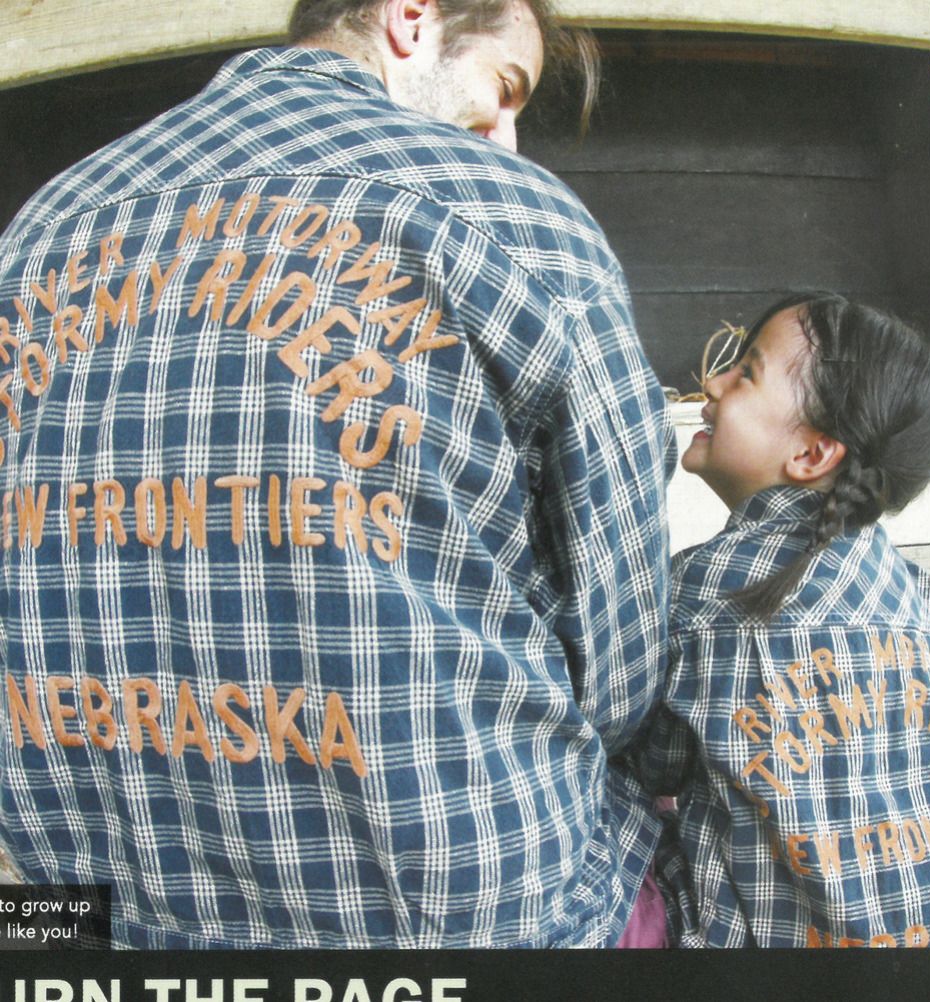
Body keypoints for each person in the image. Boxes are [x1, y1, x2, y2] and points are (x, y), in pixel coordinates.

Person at [0, 0, 675, 947]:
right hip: (461, 925)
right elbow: (621, 655)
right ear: (411, 18)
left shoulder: (40, 228)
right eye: (504, 86)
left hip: (85, 922)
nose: (506, 134)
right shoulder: (510, 214)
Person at [635, 293, 930, 948]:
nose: (711, 383)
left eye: (745, 372)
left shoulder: (704, 591)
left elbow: (652, 764)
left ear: (811, 456)